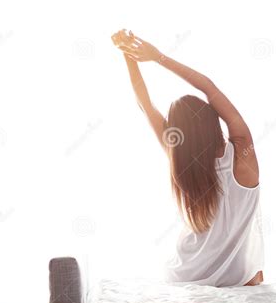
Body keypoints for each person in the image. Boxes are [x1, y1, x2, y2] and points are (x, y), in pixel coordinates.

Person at [112, 29, 264, 286]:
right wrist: (158, 57)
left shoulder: (178, 156)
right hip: (238, 278)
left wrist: (129, 55)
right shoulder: (242, 154)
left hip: (183, 275)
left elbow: (145, 105)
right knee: (254, 278)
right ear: (213, 120)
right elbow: (208, 88)